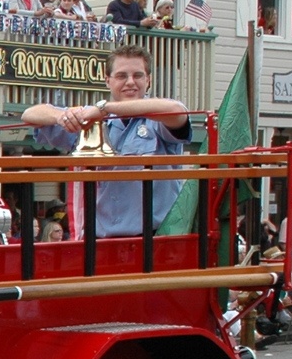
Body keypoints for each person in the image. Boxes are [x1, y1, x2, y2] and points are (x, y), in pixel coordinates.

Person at [24, 45, 190, 238]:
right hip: (101, 242)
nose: (130, 82)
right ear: (107, 81)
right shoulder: (92, 119)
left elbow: (177, 110)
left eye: (137, 75)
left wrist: (103, 108)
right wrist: (63, 116)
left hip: (156, 239)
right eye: (121, 76)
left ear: (149, 80)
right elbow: (30, 114)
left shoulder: (157, 121)